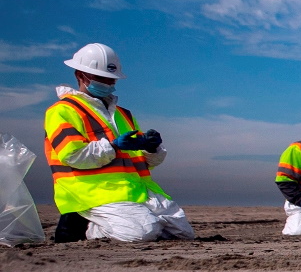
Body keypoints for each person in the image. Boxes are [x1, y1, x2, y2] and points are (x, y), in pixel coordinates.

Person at [42, 42, 194, 242]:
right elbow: (74, 156)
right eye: (101, 78)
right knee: (142, 233)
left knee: (182, 234)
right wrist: (113, 146)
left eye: (111, 79)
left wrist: (152, 148)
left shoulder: (122, 114)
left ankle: (126, 221)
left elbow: (147, 162)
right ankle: (81, 226)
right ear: (80, 75)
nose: (107, 83)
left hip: (136, 190)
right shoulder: (62, 111)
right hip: (93, 193)